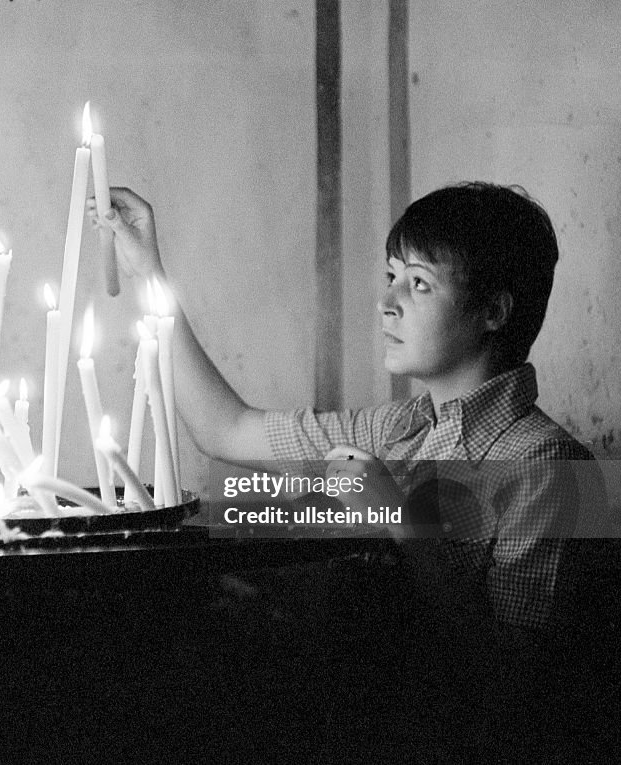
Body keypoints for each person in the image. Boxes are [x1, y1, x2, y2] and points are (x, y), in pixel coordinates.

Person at [88, 182, 613, 642]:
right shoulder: (397, 427)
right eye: (391, 276)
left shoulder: (546, 466)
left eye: (419, 283)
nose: (387, 301)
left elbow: (518, 682)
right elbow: (226, 430)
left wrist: (396, 518)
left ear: (493, 312)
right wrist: (146, 270)